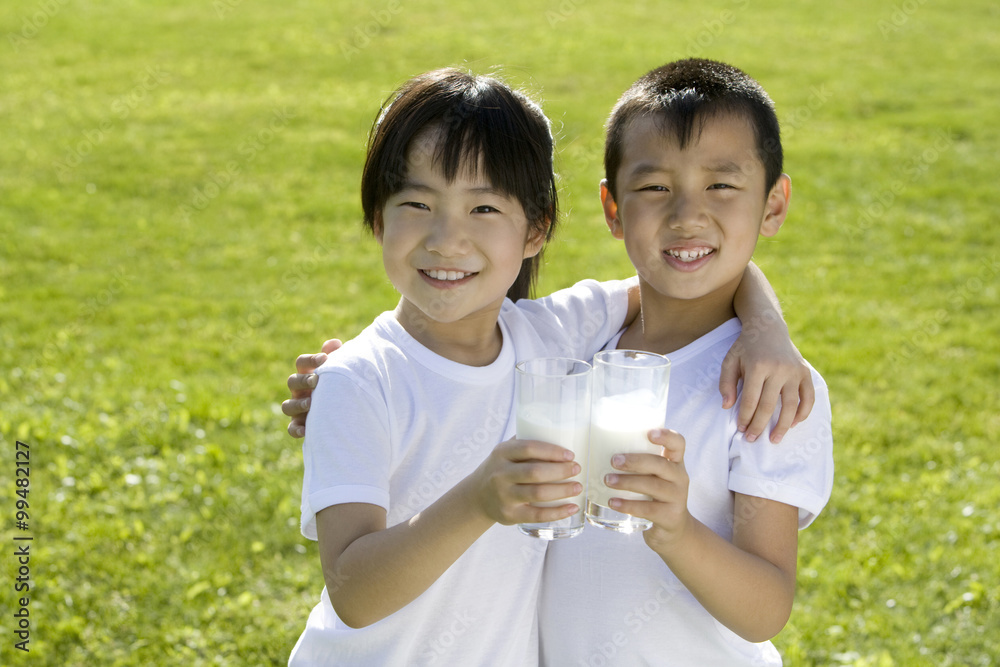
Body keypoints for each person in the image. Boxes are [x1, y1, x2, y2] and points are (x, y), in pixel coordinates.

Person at [286, 66, 813, 666]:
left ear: (535, 229)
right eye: (416, 202)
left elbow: (681, 274)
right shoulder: (359, 379)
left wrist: (767, 326)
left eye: (483, 207)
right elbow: (352, 594)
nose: (446, 238)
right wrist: (478, 501)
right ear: (378, 218)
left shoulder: (549, 339)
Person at [537, 58, 835, 665]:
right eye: (654, 187)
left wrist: (676, 531)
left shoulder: (768, 389)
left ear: (773, 205)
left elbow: (766, 609)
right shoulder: (578, 339)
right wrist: (347, 379)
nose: (687, 215)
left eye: (721, 185)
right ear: (613, 208)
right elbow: (469, 344)